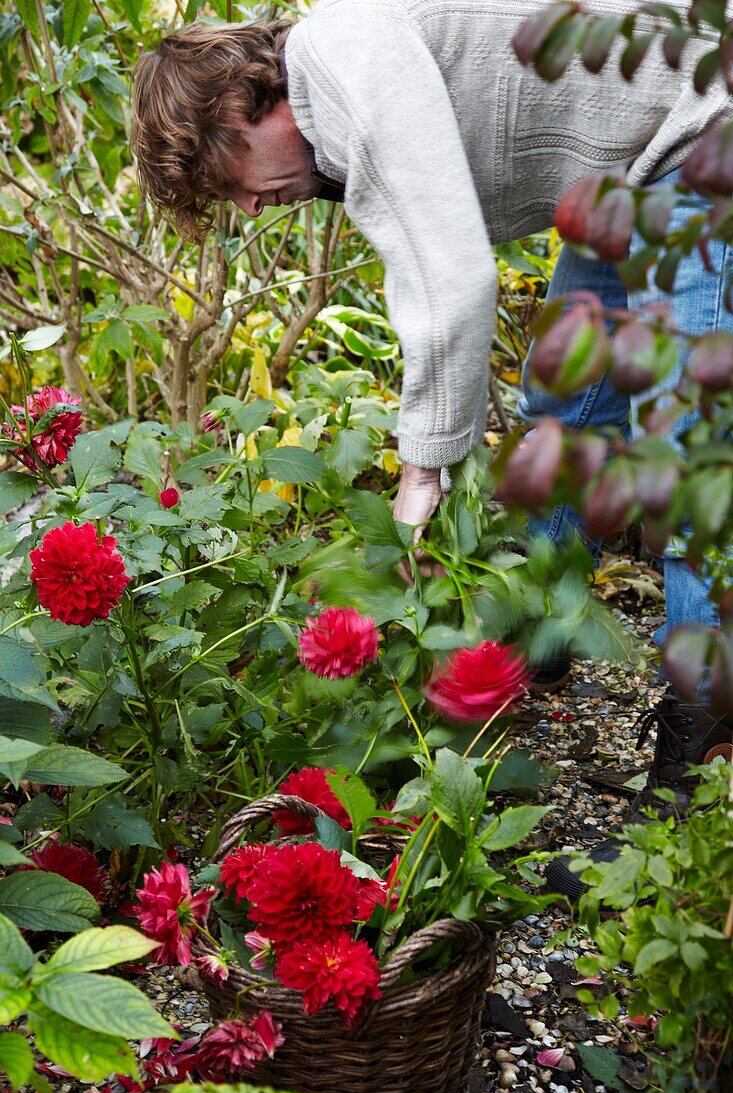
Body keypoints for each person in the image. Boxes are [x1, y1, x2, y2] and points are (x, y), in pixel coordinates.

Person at [131, 0, 732, 898]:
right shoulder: (338, 81)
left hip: (702, 149)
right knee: (567, 399)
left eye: (235, 179)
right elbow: (420, 250)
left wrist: (421, 474)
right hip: (633, 171)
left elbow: (451, 283)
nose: (252, 205)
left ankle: (698, 795)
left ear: (247, 108)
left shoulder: (339, 61)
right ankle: (537, 634)